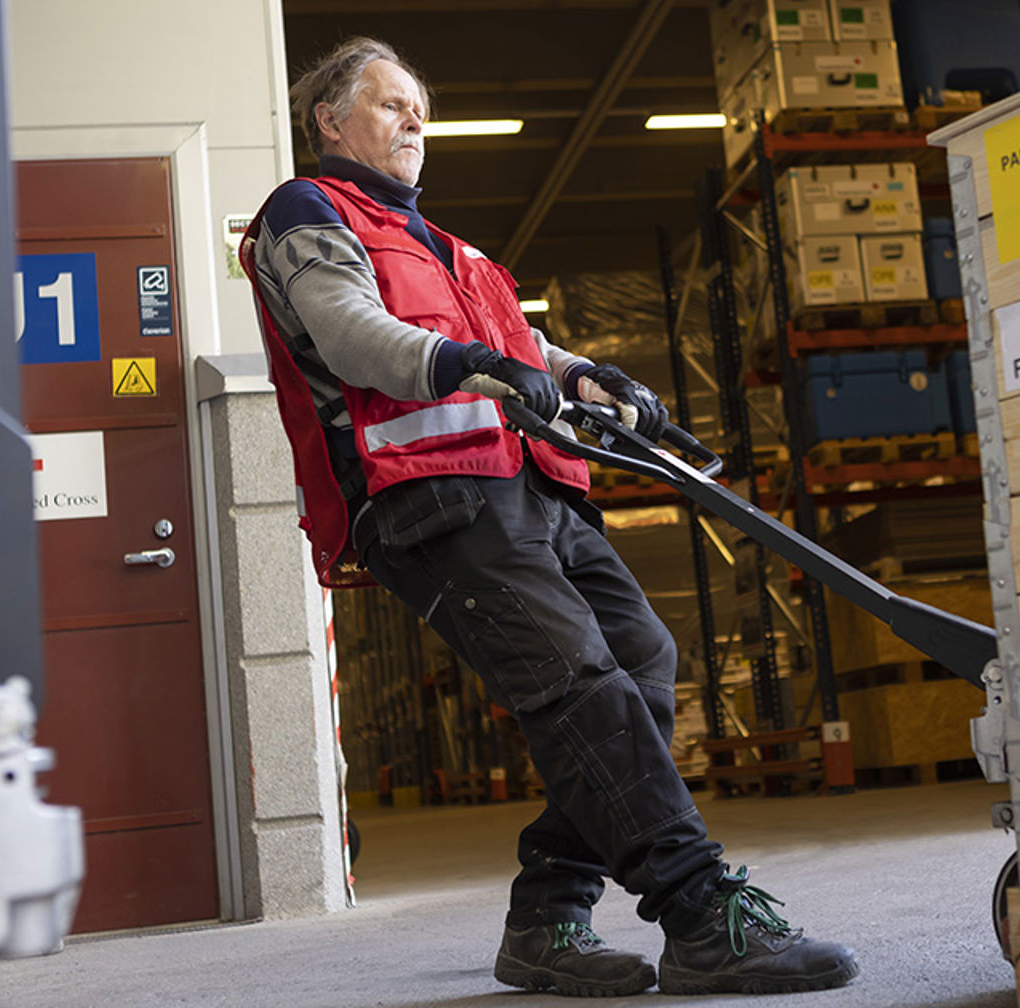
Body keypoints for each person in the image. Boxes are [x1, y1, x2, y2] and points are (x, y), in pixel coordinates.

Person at [239, 36, 859, 998]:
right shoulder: (307, 211)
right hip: (429, 497)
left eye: (422, 110)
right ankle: (701, 916)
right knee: (577, 680)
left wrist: (586, 375)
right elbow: (351, 334)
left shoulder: (451, 249)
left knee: (643, 662)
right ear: (329, 120)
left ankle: (547, 920)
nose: (417, 123)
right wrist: (471, 369)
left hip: (532, 485)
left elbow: (519, 341)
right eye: (394, 104)